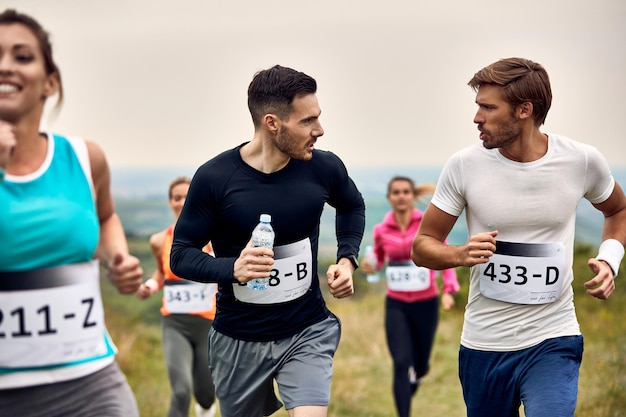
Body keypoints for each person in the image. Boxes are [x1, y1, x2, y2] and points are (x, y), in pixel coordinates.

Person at [411, 57, 626, 417]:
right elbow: (423, 246)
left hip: (553, 336)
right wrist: (460, 254)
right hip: (484, 343)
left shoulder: (581, 160)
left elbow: (617, 210)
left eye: (487, 107)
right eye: (477, 106)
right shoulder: (464, 165)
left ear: (524, 110)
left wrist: (609, 260)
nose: (476, 117)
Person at [170, 64, 365, 417]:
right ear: (272, 122)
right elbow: (181, 255)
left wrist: (346, 259)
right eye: (307, 121)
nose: (319, 130)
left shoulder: (323, 168)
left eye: (317, 118)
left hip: (307, 329)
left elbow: (352, 205)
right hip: (237, 339)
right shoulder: (215, 178)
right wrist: (233, 268)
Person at [0, 9, 144, 417]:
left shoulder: (84, 158)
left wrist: (119, 256)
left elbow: (105, 217)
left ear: (50, 82)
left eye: (22, 56)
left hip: (88, 383)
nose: (5, 66)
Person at [360, 176, 459, 417]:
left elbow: (444, 256)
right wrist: (371, 266)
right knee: (401, 362)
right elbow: (380, 259)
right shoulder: (381, 230)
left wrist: (449, 290)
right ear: (390, 198)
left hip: (426, 302)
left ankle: (418, 375)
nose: (401, 196)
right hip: (397, 304)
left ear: (412, 196)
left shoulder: (427, 226)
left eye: (406, 191)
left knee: (421, 364)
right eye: (396, 192)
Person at [136, 176, 218, 417]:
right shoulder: (159, 240)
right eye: (176, 198)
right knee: (181, 391)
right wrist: (151, 285)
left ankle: (206, 409)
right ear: (170, 202)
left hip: (208, 324)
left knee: (206, 393)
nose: (182, 202)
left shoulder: (214, 239)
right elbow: (162, 273)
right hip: (175, 323)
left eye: (186, 197)